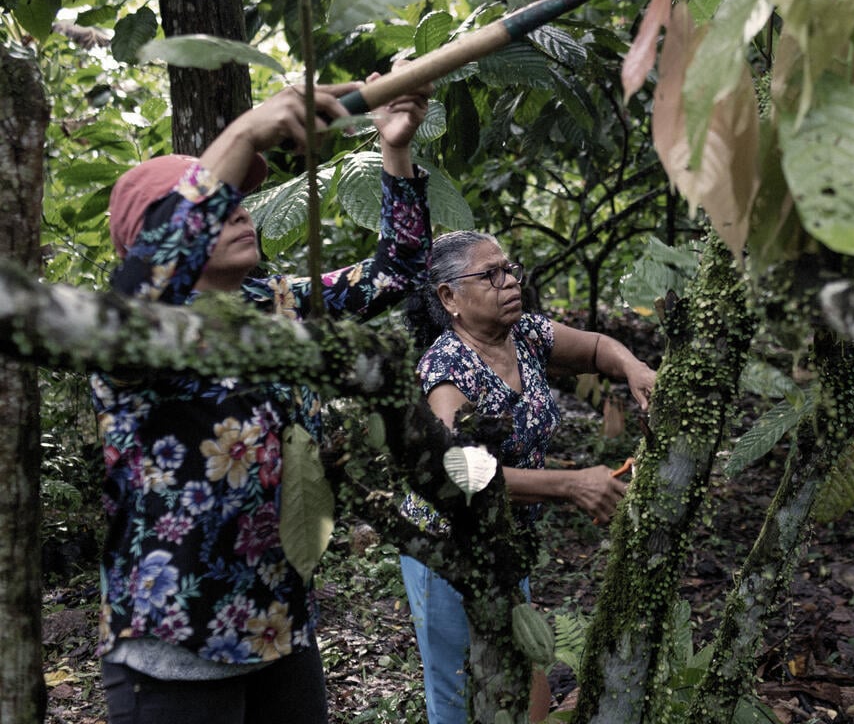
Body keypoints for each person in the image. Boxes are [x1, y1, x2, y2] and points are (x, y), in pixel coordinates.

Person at [89, 68, 434, 724]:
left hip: (280, 628)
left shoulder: (274, 304)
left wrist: (394, 146)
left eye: (240, 198)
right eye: (219, 203)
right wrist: (246, 130)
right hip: (179, 646)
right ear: (161, 236)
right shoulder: (135, 336)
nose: (240, 209)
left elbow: (399, 271)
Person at [400, 230, 657, 724]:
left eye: (510, 269)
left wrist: (634, 368)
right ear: (449, 297)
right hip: (447, 548)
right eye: (490, 275)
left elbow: (597, 348)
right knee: (461, 690)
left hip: (505, 539)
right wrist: (569, 484)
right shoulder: (448, 369)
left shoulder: (525, 336)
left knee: (522, 670)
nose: (510, 282)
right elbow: (459, 473)